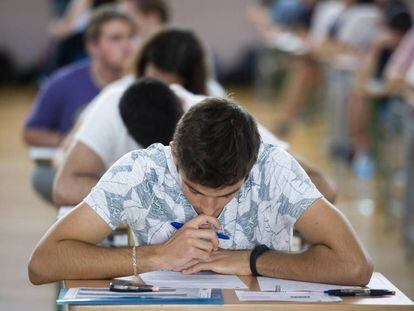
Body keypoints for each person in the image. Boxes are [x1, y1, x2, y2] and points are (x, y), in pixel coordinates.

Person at [29, 97, 372, 285]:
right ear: (174, 154)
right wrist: (157, 256)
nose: (208, 210)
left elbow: (355, 266)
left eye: (226, 194)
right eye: (193, 190)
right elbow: (42, 263)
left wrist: (251, 261)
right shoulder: (140, 171)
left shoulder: (275, 166)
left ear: (253, 164)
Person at [23, 5, 136, 202]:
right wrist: (77, 141)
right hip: (84, 169)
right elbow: (31, 132)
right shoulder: (62, 82)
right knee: (42, 177)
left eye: (130, 38)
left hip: (127, 174)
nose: (127, 46)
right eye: (116, 38)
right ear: (92, 46)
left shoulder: (142, 84)